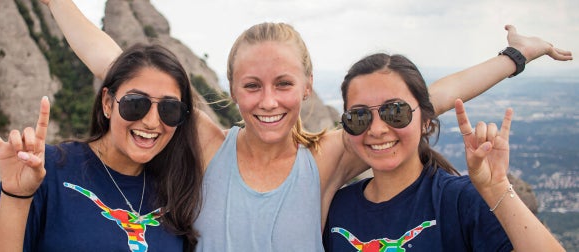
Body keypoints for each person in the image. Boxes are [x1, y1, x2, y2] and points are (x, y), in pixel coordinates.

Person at [40, 1, 572, 250]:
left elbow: (419, 100)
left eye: (283, 84)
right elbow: (112, 61)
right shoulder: (207, 144)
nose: (268, 102)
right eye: (251, 86)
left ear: (308, 84)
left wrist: (513, 57)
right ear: (230, 90)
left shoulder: (325, 156)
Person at [323, 53, 565, 251]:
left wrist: (497, 187)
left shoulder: (461, 201)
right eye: (359, 116)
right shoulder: (337, 209)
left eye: (395, 112)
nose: (377, 129)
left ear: (426, 120)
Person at [0, 44, 203, 252]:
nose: (152, 122)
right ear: (107, 103)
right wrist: (16, 196)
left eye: (170, 109)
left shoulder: (177, 194)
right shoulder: (47, 169)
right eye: (136, 103)